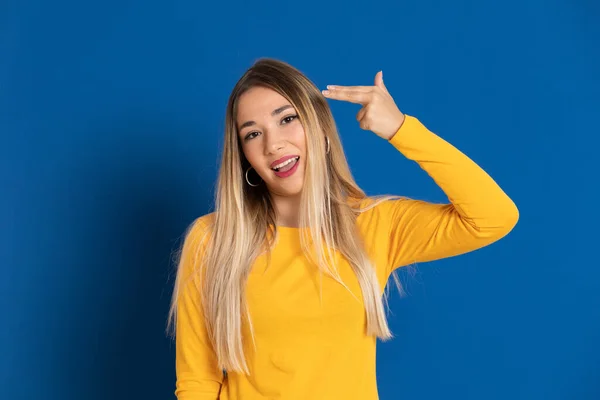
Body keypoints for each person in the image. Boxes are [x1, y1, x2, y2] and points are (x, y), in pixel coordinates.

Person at [166, 58, 519, 400]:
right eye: (252, 134)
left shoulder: (375, 225)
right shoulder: (214, 239)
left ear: (319, 126)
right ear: (243, 155)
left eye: (287, 119)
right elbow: (198, 382)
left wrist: (401, 130)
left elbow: (494, 216)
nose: (272, 144)